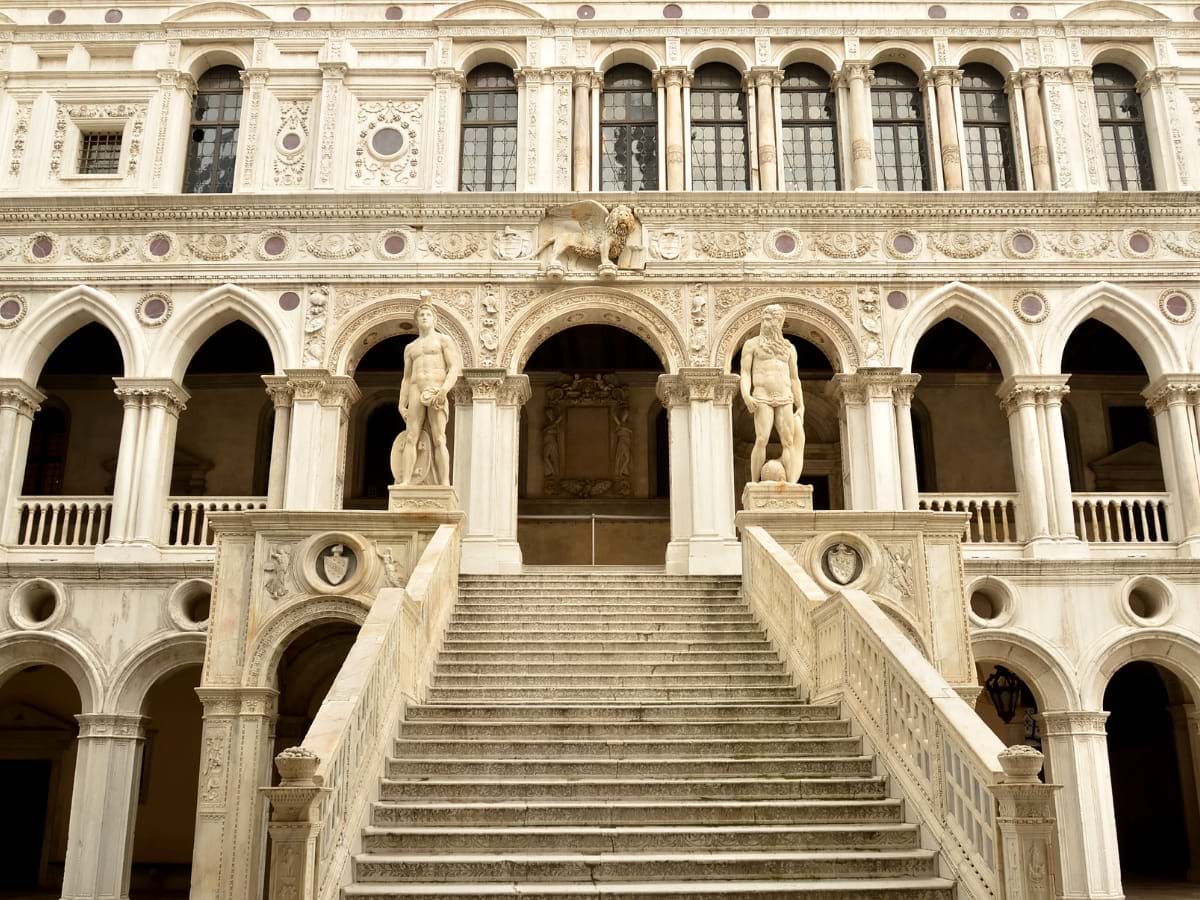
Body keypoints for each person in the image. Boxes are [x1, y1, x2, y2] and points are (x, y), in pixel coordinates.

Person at [739, 304, 805, 483]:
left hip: (785, 396)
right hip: (762, 396)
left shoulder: (789, 348)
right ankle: (754, 482)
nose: (767, 323)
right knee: (761, 439)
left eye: (771, 320)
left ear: (779, 322)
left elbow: (794, 378)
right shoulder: (752, 345)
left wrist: (801, 404)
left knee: (788, 442)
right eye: (765, 319)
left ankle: (791, 484)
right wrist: (746, 395)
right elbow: (744, 373)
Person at [397, 303, 462, 486]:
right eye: (421, 315)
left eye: (428, 314)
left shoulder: (443, 341)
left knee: (439, 438)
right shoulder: (410, 347)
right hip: (416, 390)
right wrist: (402, 403)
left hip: (435, 390)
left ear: (434, 319)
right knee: (411, 436)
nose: (425, 317)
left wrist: (444, 390)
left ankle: (444, 482)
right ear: (416, 321)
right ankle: (406, 481)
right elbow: (407, 377)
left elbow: (453, 368)